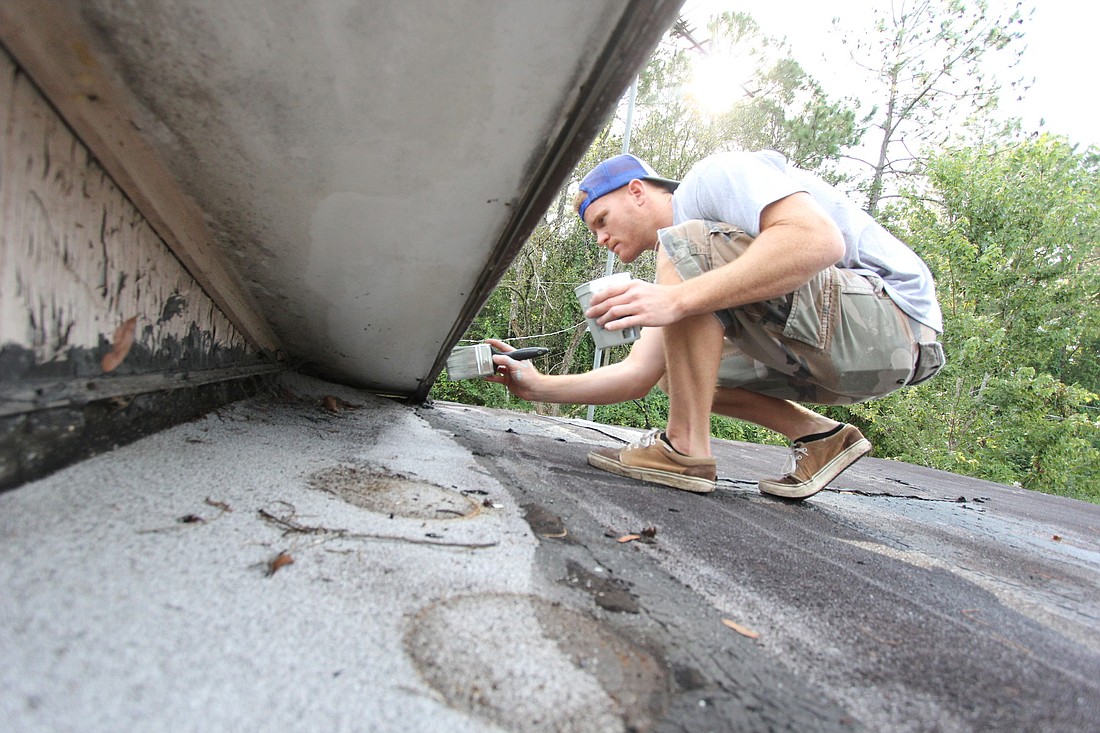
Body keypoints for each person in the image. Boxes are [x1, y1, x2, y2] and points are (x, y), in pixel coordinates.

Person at [487, 150, 944, 499]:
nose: (603, 239)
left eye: (602, 220)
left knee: (683, 251)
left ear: (637, 191)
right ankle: (819, 437)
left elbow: (818, 240)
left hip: (892, 322)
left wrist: (677, 298)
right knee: (675, 371)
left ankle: (684, 449)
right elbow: (639, 376)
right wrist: (536, 386)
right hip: (861, 353)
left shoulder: (711, 180)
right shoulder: (689, 263)